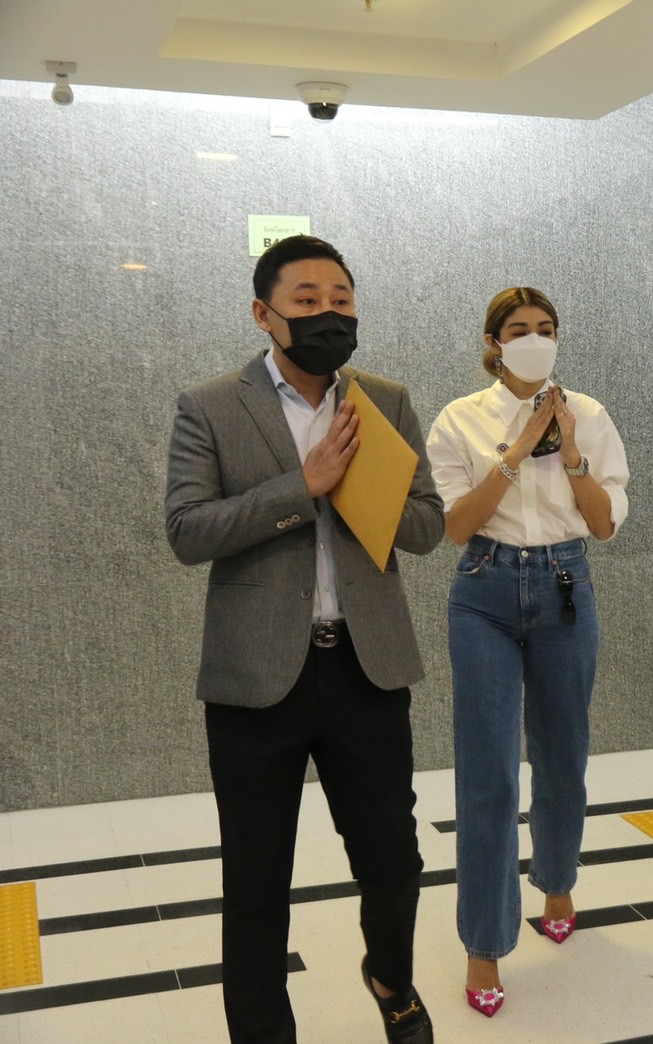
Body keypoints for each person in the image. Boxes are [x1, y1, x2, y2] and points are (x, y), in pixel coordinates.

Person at [164, 235, 442, 1044]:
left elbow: (427, 526)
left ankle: (391, 978)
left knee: (393, 862)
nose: (329, 315)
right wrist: (303, 486)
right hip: (255, 679)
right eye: (308, 301)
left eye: (342, 300)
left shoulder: (383, 402)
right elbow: (187, 531)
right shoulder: (210, 405)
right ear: (265, 313)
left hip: (367, 668)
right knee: (256, 882)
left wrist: (361, 487)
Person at [425, 287, 629, 1019]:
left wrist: (569, 450)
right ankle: (484, 943)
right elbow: (457, 526)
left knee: (563, 752)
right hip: (484, 588)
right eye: (519, 330)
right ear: (494, 343)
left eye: (547, 328)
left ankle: (558, 880)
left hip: (566, 584)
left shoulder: (591, 414)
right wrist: (516, 451)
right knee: (487, 772)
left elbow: (603, 525)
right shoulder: (459, 418)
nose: (535, 340)